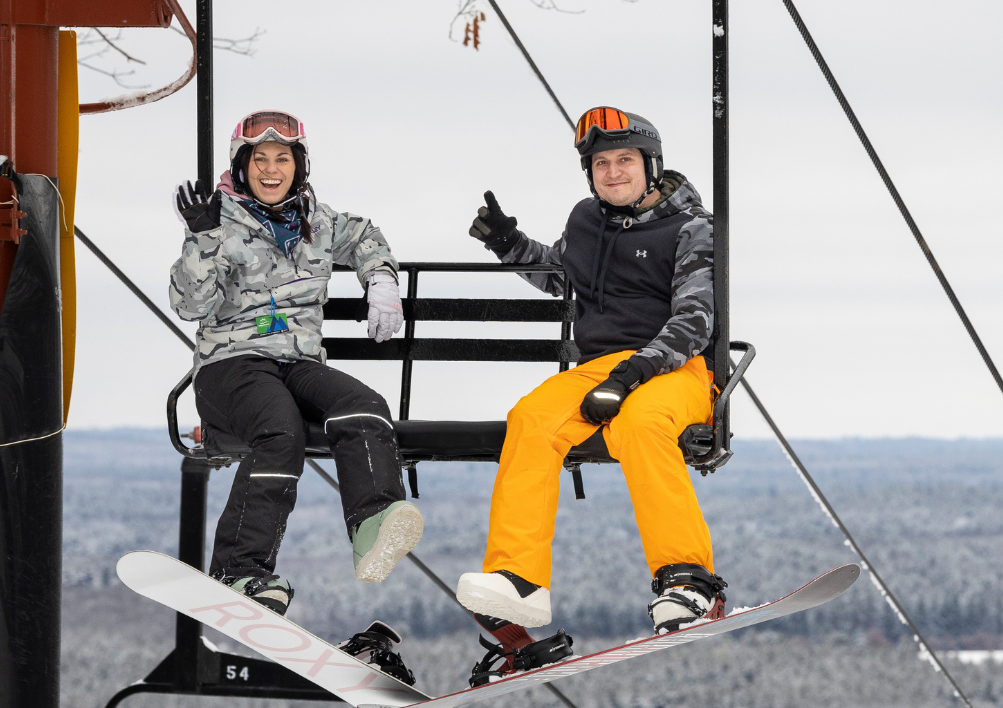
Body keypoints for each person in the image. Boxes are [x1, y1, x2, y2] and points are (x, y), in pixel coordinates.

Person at [455, 107, 727, 636]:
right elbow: (560, 275)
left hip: (674, 366)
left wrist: (630, 377)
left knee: (641, 425)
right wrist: (507, 243)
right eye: (601, 163)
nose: (613, 173)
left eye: (625, 160)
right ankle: (518, 579)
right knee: (531, 418)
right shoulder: (587, 219)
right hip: (600, 368)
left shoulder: (692, 228)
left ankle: (688, 579)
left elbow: (695, 319)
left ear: (651, 165)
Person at [169, 109, 423, 619]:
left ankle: (374, 522)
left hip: (297, 361)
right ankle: (240, 568)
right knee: (279, 429)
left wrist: (381, 280)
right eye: (258, 158)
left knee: (362, 405)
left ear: (299, 164)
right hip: (232, 365)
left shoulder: (319, 222)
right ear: (242, 166)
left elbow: (366, 236)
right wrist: (201, 237)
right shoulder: (216, 222)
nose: (270, 169)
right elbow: (190, 306)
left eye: (281, 157)